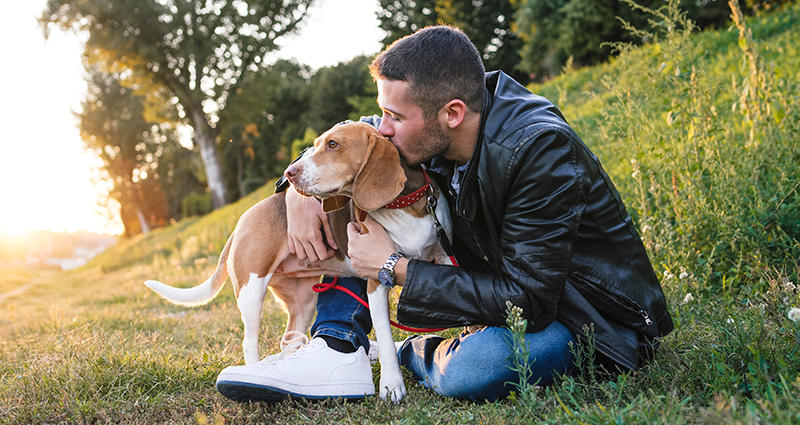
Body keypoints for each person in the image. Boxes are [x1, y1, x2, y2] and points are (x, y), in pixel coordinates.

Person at [215, 25, 673, 403]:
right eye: (382, 112)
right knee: (359, 207)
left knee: (479, 368)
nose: (385, 128)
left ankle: (410, 351)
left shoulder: (540, 152)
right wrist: (295, 188)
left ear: (451, 114)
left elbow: (530, 301)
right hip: (510, 291)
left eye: (394, 116)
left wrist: (395, 267)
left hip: (586, 318)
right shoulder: (433, 126)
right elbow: (357, 138)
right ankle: (335, 347)